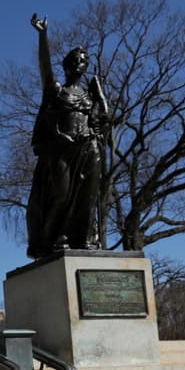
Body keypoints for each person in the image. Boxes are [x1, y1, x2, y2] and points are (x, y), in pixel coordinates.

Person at [25, 14, 109, 259]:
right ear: (67, 65)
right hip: (61, 150)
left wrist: (100, 94)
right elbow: (44, 68)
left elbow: (104, 119)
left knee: (88, 197)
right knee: (61, 196)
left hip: (87, 148)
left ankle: (82, 239)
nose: (79, 64)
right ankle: (51, 239)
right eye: (75, 60)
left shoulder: (89, 93)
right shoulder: (56, 90)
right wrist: (42, 36)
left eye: (83, 61)